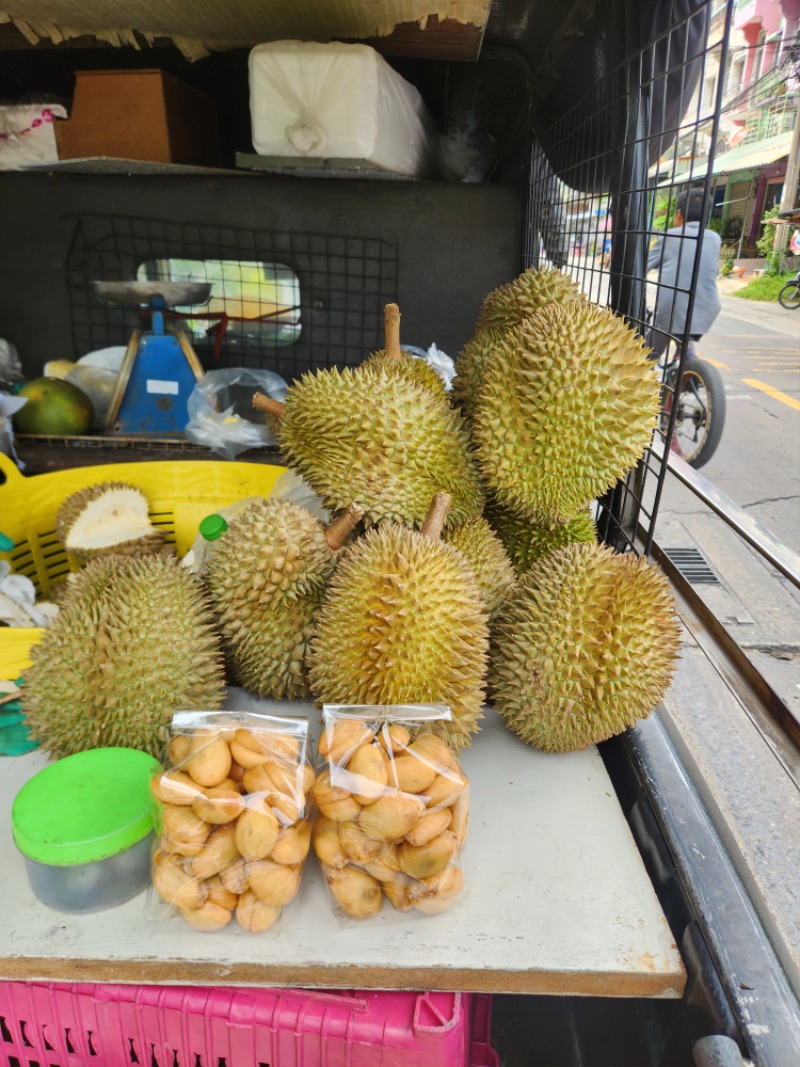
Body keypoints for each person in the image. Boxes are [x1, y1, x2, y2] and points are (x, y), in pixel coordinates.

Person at [646, 187, 721, 361]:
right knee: (684, 337)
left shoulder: (669, 236)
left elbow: (642, 267)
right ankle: (690, 373)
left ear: (678, 214)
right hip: (708, 309)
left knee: (647, 354)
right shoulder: (714, 238)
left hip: (673, 309)